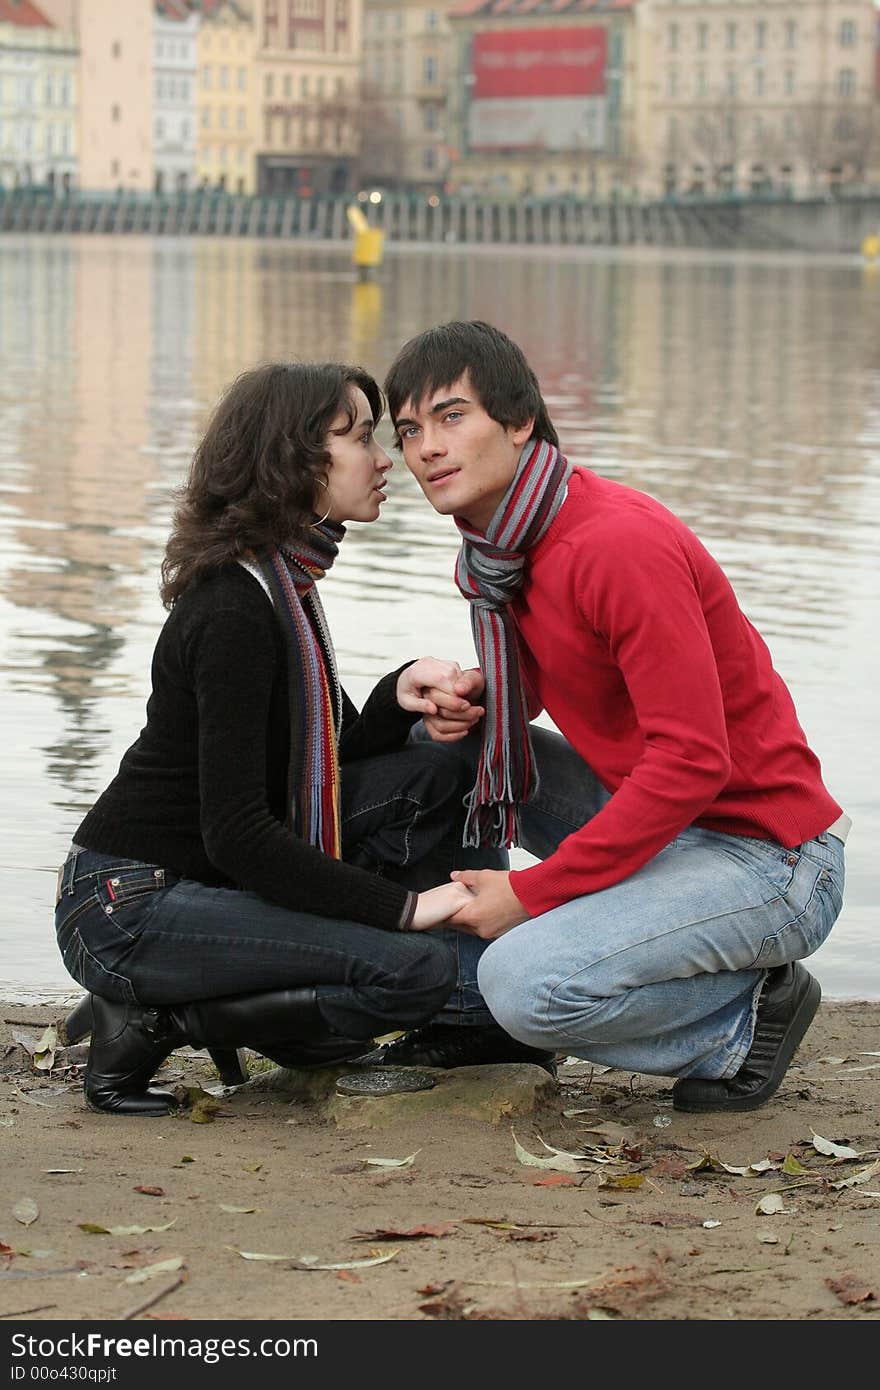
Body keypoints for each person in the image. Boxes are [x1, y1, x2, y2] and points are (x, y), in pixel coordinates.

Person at [369, 319, 849, 1114]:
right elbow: (568, 675)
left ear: (520, 421)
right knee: (440, 751)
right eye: (411, 428)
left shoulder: (614, 545)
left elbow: (694, 761)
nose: (426, 448)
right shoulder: (498, 554)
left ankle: (740, 1022)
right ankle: (472, 999)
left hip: (769, 857)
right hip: (675, 829)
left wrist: (534, 895)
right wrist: (470, 698)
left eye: (453, 416)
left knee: (522, 982)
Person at [54, 359, 520, 1118]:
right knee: (412, 967)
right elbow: (239, 833)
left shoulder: (281, 585)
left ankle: (457, 1004)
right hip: (126, 909)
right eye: (362, 438)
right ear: (294, 460)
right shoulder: (236, 610)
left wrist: (400, 694)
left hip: (195, 882)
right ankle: (157, 1019)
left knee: (440, 767)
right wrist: (404, 910)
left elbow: (328, 758)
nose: (386, 460)